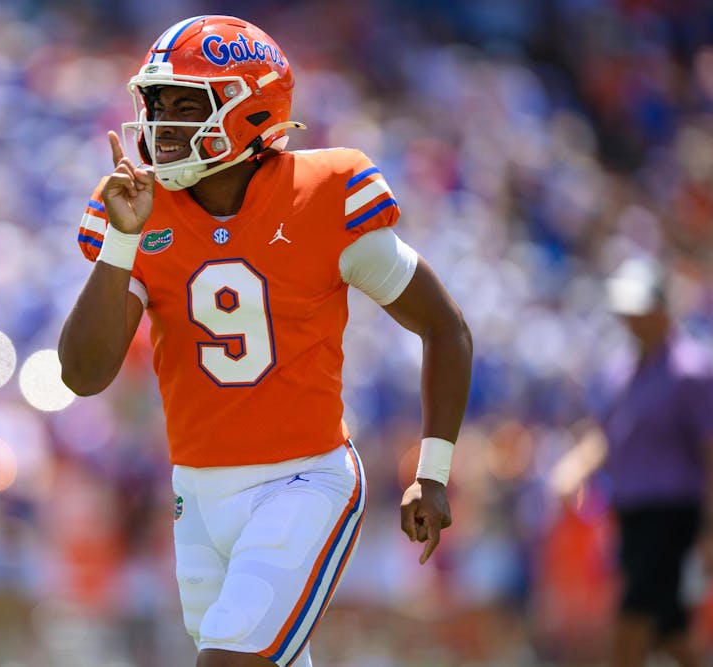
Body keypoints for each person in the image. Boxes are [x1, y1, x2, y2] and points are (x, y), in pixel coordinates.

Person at [58, 15, 472, 667]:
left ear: (250, 112)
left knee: (227, 660)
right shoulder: (141, 212)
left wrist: (433, 471)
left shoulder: (327, 192)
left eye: (187, 106)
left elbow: (444, 326)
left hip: (303, 481)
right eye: (158, 106)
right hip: (195, 494)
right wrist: (120, 240)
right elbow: (83, 374)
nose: (163, 127)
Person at [550, 257, 713, 667]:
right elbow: (607, 434)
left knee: (633, 617)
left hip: (671, 514)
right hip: (632, 514)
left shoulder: (690, 371)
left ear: (661, 308)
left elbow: (709, 451)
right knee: (668, 627)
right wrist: (576, 467)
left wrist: (710, 531)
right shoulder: (619, 372)